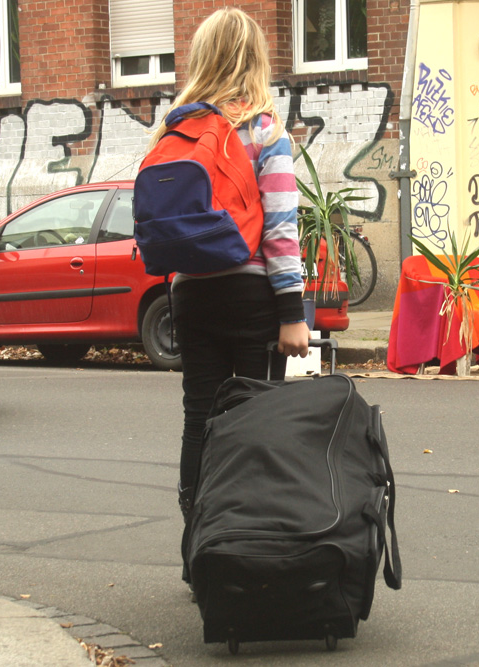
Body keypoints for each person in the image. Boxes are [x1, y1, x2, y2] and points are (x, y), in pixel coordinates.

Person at [147, 8, 311, 520]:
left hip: (190, 295)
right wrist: (292, 312)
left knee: (200, 420)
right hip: (251, 296)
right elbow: (281, 226)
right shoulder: (263, 130)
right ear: (255, 58)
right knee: (257, 420)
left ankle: (197, 546)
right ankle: (249, 544)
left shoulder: (172, 130)